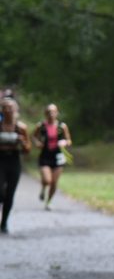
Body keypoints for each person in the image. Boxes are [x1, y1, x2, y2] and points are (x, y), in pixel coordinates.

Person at [0, 98, 31, 234]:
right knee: (0, 191)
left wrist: (22, 142)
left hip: (14, 160)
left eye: (10, 107)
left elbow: (27, 150)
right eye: (4, 107)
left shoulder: (21, 128)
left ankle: (4, 222)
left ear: (15, 110)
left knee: (10, 194)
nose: (7, 110)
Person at [34, 103, 73, 210]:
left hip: (58, 157)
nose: (51, 114)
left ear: (57, 113)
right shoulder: (41, 126)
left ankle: (49, 202)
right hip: (45, 156)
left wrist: (65, 142)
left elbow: (69, 140)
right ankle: (43, 188)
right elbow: (34, 137)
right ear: (45, 114)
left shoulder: (62, 126)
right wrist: (37, 142)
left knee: (54, 182)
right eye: (49, 112)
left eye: (53, 112)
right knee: (47, 180)